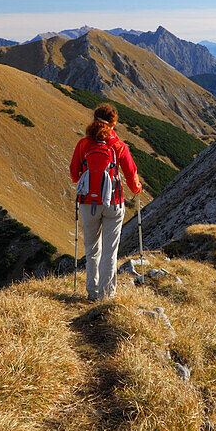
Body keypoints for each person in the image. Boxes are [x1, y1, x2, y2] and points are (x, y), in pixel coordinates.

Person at [70, 104, 142, 301]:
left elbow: (74, 175)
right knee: (110, 252)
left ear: (94, 119)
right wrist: (137, 189)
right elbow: (131, 175)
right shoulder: (118, 146)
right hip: (114, 202)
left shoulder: (83, 144)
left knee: (92, 250)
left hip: (87, 203)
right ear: (114, 123)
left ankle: (92, 293)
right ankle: (106, 296)